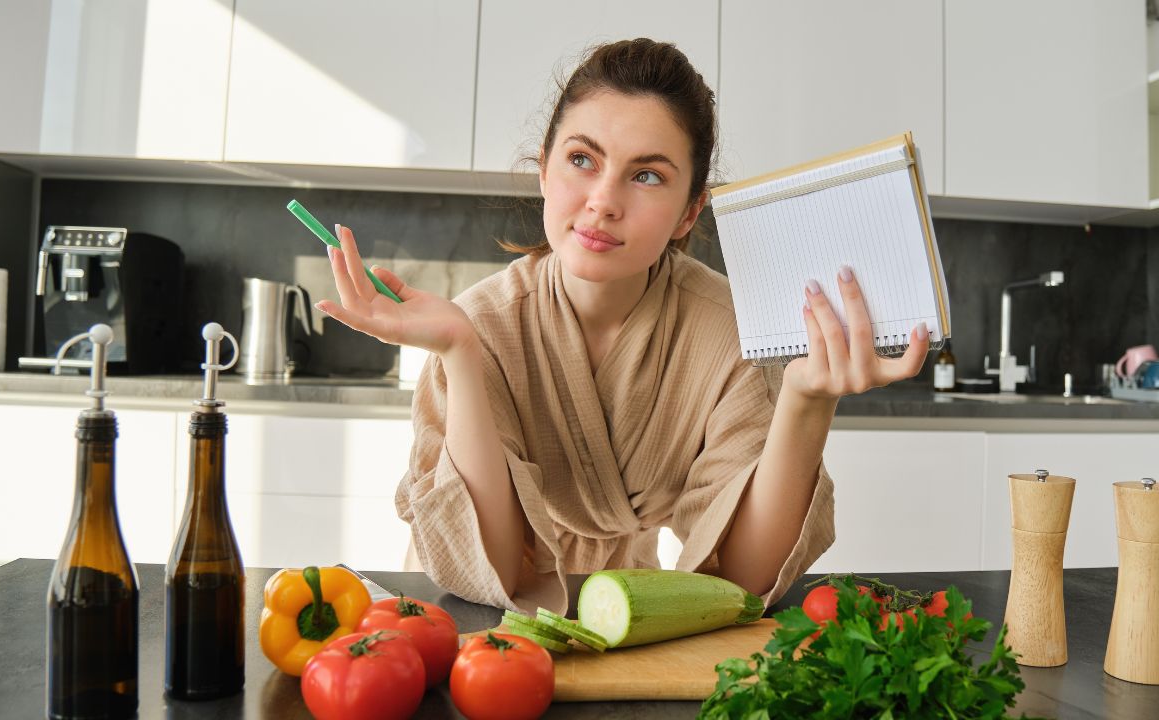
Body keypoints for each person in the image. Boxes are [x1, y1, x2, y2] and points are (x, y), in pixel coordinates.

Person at [316, 38, 929, 613]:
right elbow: (496, 570)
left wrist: (806, 401)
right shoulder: (478, 324)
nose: (603, 200)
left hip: (623, 598)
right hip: (467, 615)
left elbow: (741, 579)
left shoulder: (729, 334)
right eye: (582, 159)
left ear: (691, 210)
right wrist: (459, 352)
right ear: (544, 171)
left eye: (646, 175)